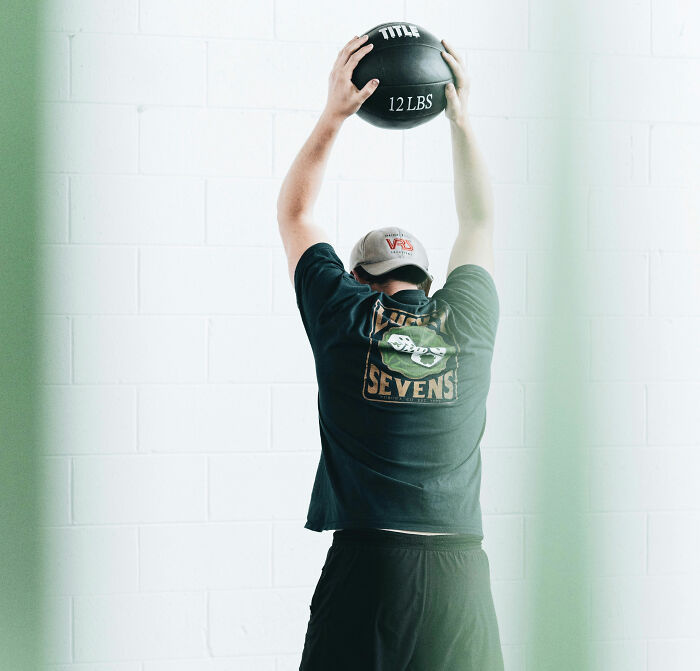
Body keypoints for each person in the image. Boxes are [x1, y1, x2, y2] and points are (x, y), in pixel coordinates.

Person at [277, 33, 504, 671]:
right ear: (429, 281)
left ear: (359, 277)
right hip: (461, 571)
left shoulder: (344, 317)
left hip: (370, 564)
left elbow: (297, 213)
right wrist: (459, 120)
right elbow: (479, 222)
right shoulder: (470, 321)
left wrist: (333, 115)